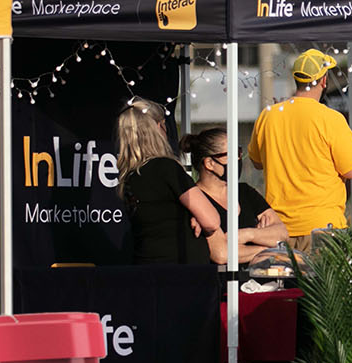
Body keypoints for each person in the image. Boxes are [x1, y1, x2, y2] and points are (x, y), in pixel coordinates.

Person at [248, 49, 352, 238]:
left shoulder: (268, 115)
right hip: (323, 228)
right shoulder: (330, 119)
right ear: (324, 80)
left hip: (278, 229)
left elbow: (256, 162)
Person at [116, 99, 219, 266]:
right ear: (157, 128)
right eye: (164, 124)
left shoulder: (130, 176)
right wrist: (198, 216)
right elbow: (212, 221)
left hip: (146, 268)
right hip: (180, 271)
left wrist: (194, 215)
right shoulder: (166, 168)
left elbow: (161, 214)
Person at [183, 127, 289, 265]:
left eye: (239, 152)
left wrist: (245, 235)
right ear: (210, 163)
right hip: (221, 283)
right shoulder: (195, 199)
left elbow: (282, 234)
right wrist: (268, 248)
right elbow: (221, 254)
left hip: (259, 283)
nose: (238, 159)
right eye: (232, 154)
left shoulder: (245, 192)